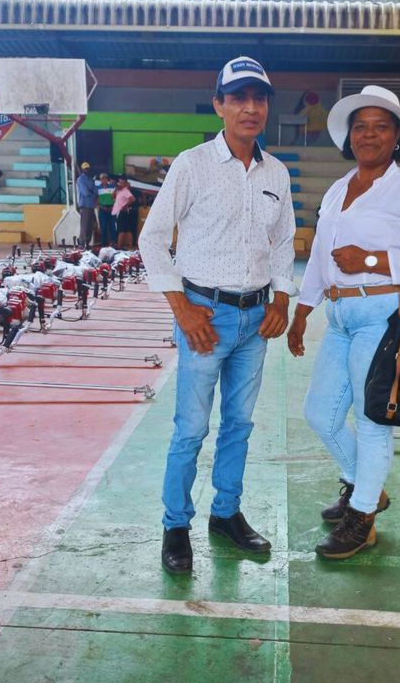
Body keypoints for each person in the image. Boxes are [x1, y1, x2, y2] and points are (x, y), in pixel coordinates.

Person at [140, 55, 297, 574]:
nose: (250, 108)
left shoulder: (276, 173)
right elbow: (152, 239)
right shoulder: (192, 165)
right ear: (219, 106)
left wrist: (281, 298)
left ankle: (225, 513)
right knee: (190, 428)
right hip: (205, 318)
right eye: (238, 99)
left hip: (256, 321)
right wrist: (181, 308)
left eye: (259, 99)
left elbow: (283, 242)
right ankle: (176, 525)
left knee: (239, 424)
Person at [287, 86, 400, 560]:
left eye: (381, 127)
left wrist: (372, 260)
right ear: (349, 136)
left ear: (397, 137)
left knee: (372, 420)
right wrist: (302, 311)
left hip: (384, 316)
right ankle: (365, 487)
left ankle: (362, 517)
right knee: (319, 413)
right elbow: (321, 256)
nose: (369, 134)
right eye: (360, 126)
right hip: (341, 316)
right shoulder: (339, 188)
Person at [76, 161, 98, 248]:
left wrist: (91, 192)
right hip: (85, 205)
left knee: (90, 226)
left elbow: (96, 191)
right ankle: (82, 243)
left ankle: (87, 243)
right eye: (85, 168)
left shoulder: (90, 179)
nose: (87, 170)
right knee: (84, 225)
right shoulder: (80, 179)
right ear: (82, 169)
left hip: (91, 205)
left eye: (87, 168)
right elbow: (85, 192)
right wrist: (92, 193)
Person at [112, 176, 137, 250]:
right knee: (127, 229)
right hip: (120, 212)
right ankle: (130, 245)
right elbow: (112, 197)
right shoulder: (119, 190)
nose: (120, 184)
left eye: (122, 183)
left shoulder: (126, 191)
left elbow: (133, 199)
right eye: (119, 182)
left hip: (121, 212)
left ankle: (119, 247)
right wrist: (116, 189)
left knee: (121, 230)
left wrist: (125, 205)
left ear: (125, 184)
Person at [95, 173, 116, 246]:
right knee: (103, 227)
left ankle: (113, 242)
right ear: (100, 180)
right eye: (102, 178)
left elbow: (116, 197)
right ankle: (104, 244)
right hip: (102, 209)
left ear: (107, 179)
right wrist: (101, 207)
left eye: (105, 178)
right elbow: (96, 200)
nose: (104, 180)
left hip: (112, 208)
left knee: (112, 226)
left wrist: (113, 206)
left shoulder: (112, 187)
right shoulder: (97, 188)